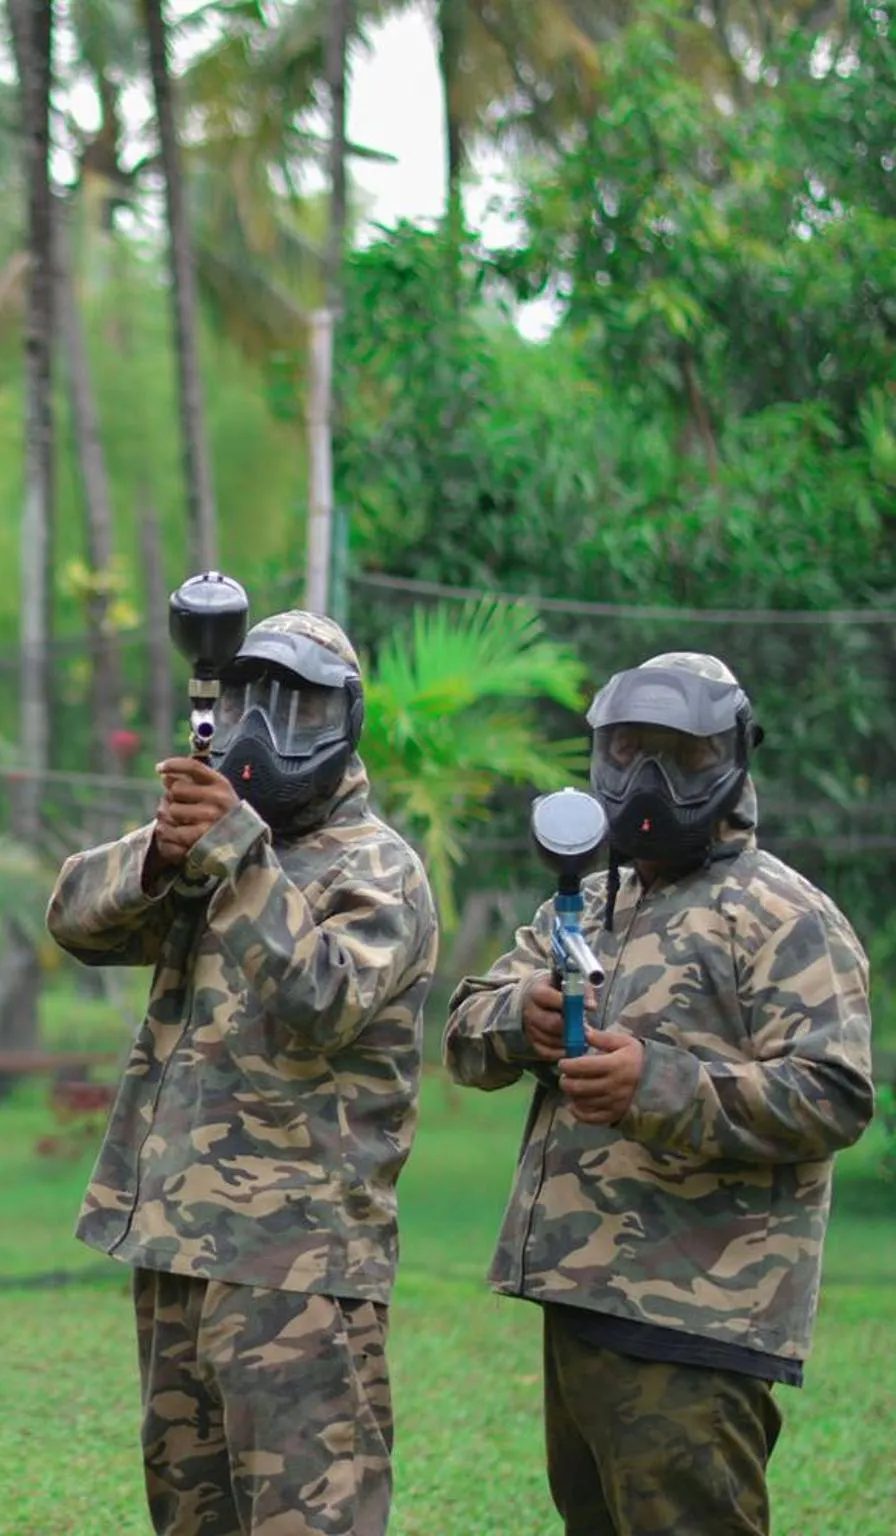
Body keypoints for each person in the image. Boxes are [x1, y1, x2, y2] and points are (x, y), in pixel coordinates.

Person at [444, 651, 874, 1536]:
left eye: (677, 758)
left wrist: (659, 1082)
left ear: (730, 762)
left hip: (699, 1315)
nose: (645, 781)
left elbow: (835, 1094)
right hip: (582, 1297)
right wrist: (521, 1016)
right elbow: (464, 1034)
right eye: (627, 752)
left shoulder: (783, 915)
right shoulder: (589, 903)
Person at [45, 609, 437, 1536]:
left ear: (345, 723)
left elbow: (326, 998)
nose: (265, 731)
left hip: (300, 1261)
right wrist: (160, 852)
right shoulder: (210, 848)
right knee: (192, 1515)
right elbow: (74, 919)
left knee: (309, 1518)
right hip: (180, 1242)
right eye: (251, 700)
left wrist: (236, 853)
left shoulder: (380, 868)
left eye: (298, 709)